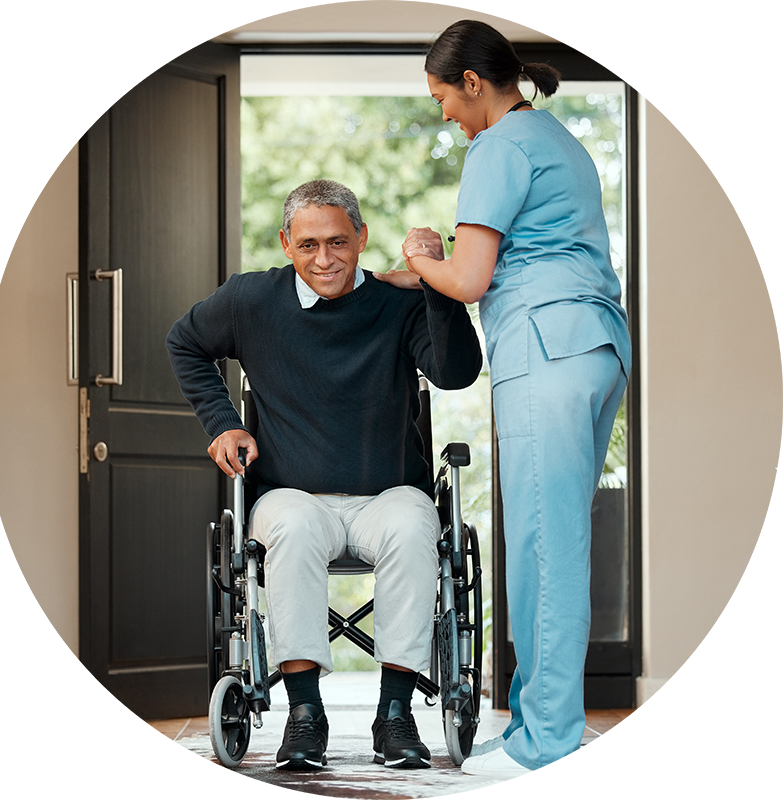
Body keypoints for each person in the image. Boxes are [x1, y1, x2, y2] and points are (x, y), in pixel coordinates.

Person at [375, 19, 631, 800]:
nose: (444, 114)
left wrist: (422, 254)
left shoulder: (497, 148)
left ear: (475, 84)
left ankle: (544, 743)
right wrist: (423, 268)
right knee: (551, 543)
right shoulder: (555, 139)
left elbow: (473, 277)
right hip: (592, 345)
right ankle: (534, 726)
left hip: (544, 351)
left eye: (444, 97)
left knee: (544, 547)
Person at [166, 179, 482, 772]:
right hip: (293, 496)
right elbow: (184, 342)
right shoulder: (249, 301)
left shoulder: (398, 304)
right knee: (288, 526)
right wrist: (222, 424)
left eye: (338, 242)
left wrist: (438, 285)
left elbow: (457, 373)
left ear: (361, 238)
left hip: (387, 495)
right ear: (286, 243)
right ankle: (305, 715)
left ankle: (396, 714)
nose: (325, 259)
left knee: (417, 526)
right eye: (308, 244)